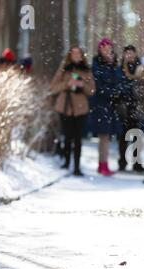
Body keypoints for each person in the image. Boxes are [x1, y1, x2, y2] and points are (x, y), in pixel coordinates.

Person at [50, 46, 96, 176]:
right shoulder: (63, 70)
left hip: (81, 109)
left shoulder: (86, 71)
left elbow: (92, 90)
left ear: (82, 56)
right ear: (70, 55)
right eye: (73, 53)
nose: (76, 56)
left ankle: (76, 166)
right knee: (67, 137)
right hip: (64, 107)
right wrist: (67, 84)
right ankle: (66, 162)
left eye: (78, 54)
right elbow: (53, 87)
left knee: (78, 139)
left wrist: (82, 85)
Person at [89, 38, 123, 176]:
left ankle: (103, 164)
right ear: (100, 50)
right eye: (104, 48)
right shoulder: (96, 65)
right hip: (101, 104)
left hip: (111, 106)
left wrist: (112, 65)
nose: (107, 51)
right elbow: (98, 84)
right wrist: (112, 92)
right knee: (103, 136)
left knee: (107, 137)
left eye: (109, 48)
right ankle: (102, 164)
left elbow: (119, 81)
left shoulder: (114, 65)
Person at [118, 45, 142, 172]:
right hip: (123, 107)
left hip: (137, 106)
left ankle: (136, 162)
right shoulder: (120, 68)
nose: (129, 55)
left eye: (131, 53)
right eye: (127, 53)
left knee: (137, 135)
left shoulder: (140, 68)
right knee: (123, 136)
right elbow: (119, 84)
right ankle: (122, 161)